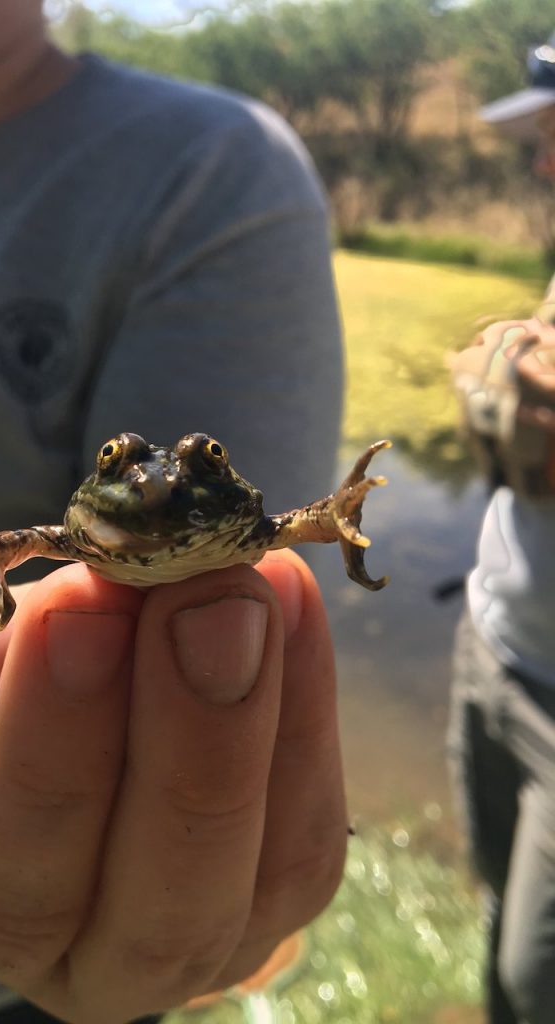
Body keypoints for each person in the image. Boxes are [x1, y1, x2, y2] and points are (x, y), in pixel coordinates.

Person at [0, 3, 350, 1022]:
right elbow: (49, 537)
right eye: (124, 467)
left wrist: (332, 522)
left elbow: (249, 590)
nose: (153, 480)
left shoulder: (208, 171)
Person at [448, 33, 555, 1024]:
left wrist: (502, 379)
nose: (542, 159)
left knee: (537, 979)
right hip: (493, 636)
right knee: (490, 885)